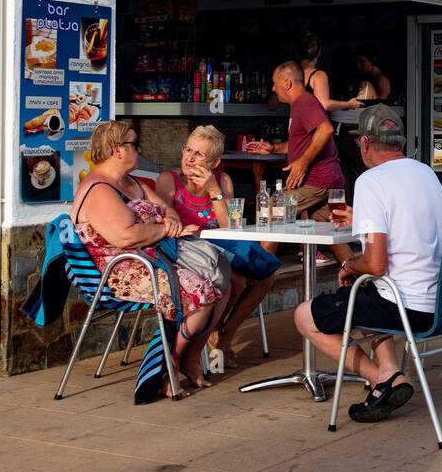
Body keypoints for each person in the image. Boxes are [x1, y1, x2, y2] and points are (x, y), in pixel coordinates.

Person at [294, 106, 442, 424]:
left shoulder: (371, 181)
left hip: (408, 308)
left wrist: (349, 265)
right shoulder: (426, 173)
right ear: (400, 141)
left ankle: (381, 378)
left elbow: (376, 265)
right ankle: (390, 370)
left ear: (365, 143)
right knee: (364, 294)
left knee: (304, 316)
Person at [72, 121, 229, 395]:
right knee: (202, 293)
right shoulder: (99, 189)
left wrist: (165, 224)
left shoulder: (130, 183)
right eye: (133, 144)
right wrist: (162, 229)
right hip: (123, 271)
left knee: (220, 279)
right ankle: (173, 361)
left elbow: (169, 211)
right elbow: (126, 237)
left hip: (149, 259)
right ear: (116, 149)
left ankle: (182, 358)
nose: (139, 149)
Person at [156, 125, 279, 369]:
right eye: (187, 150)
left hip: (222, 248)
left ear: (214, 162)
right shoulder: (168, 181)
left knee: (266, 279)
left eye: (199, 154)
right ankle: (210, 336)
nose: (189, 158)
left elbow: (230, 225)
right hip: (188, 252)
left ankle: (224, 336)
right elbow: (164, 220)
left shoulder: (222, 181)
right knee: (236, 280)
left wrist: (214, 191)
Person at [247, 61, 353, 265]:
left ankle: (258, 274)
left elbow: (325, 130)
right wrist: (274, 148)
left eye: (274, 83)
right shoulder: (299, 105)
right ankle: (360, 279)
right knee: (330, 232)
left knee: (272, 210)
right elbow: (304, 141)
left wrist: (303, 163)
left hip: (316, 181)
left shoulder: (305, 102)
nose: (272, 88)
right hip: (327, 181)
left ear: (286, 83)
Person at [298, 31, 364, 114]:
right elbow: (324, 104)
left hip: (294, 124)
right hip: (314, 125)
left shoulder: (287, 73)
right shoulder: (318, 76)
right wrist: (349, 104)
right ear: (319, 53)